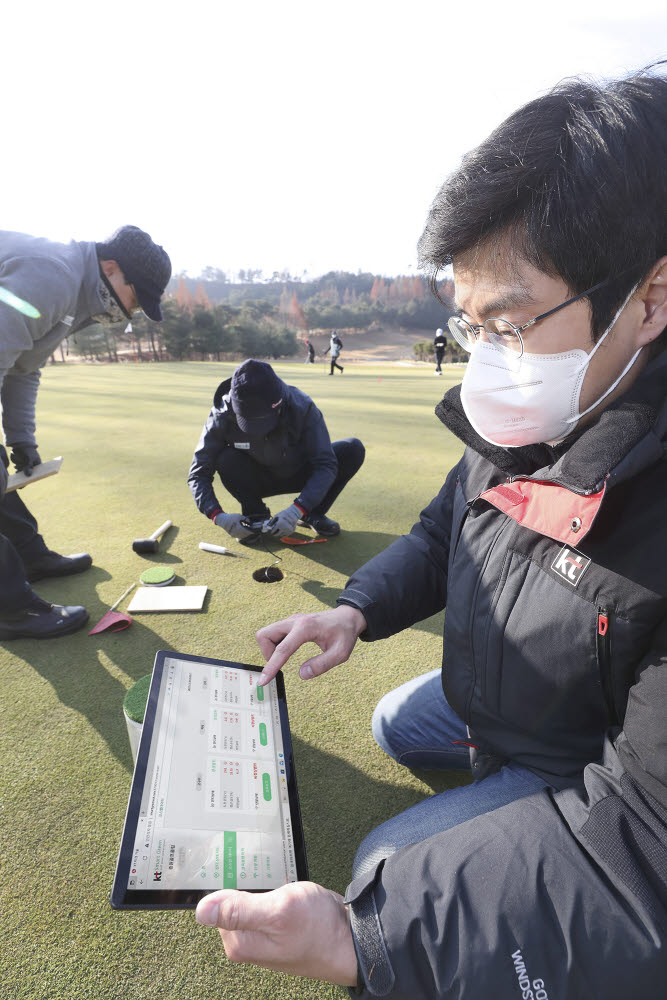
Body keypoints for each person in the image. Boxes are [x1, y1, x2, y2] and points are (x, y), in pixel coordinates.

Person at [194, 68, 667, 997]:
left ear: (648, 297)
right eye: (470, 323)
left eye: (511, 323)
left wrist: (373, 939)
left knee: (383, 862)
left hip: (594, 754)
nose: (486, 357)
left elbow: (650, 839)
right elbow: (442, 531)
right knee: (393, 719)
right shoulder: (534, 411)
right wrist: (356, 611)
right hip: (522, 694)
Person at [0, 226, 171, 640]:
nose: (130, 310)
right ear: (111, 268)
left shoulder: (74, 296)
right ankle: (11, 610)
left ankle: (30, 558)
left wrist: (21, 437)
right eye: (135, 297)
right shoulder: (54, 275)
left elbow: (24, 368)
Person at [188, 358, 365, 543]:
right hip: (258, 478)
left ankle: (312, 513)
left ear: (279, 404)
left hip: (299, 472)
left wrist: (297, 510)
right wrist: (218, 516)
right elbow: (198, 474)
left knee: (352, 449)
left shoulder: (302, 406)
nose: (259, 429)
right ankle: (255, 515)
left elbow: (325, 464)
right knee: (225, 458)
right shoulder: (221, 414)